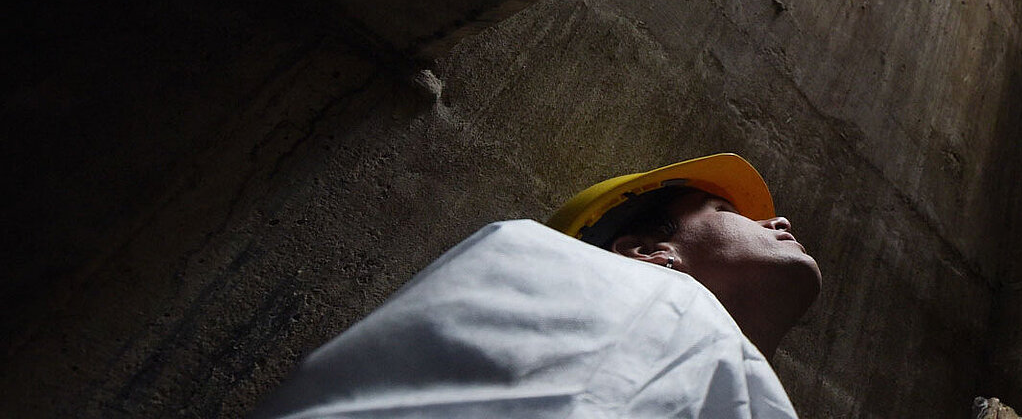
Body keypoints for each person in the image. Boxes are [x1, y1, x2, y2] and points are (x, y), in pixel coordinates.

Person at [251, 153, 821, 418]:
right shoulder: (635, 295)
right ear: (646, 251)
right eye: (725, 210)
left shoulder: (730, 377)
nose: (780, 222)